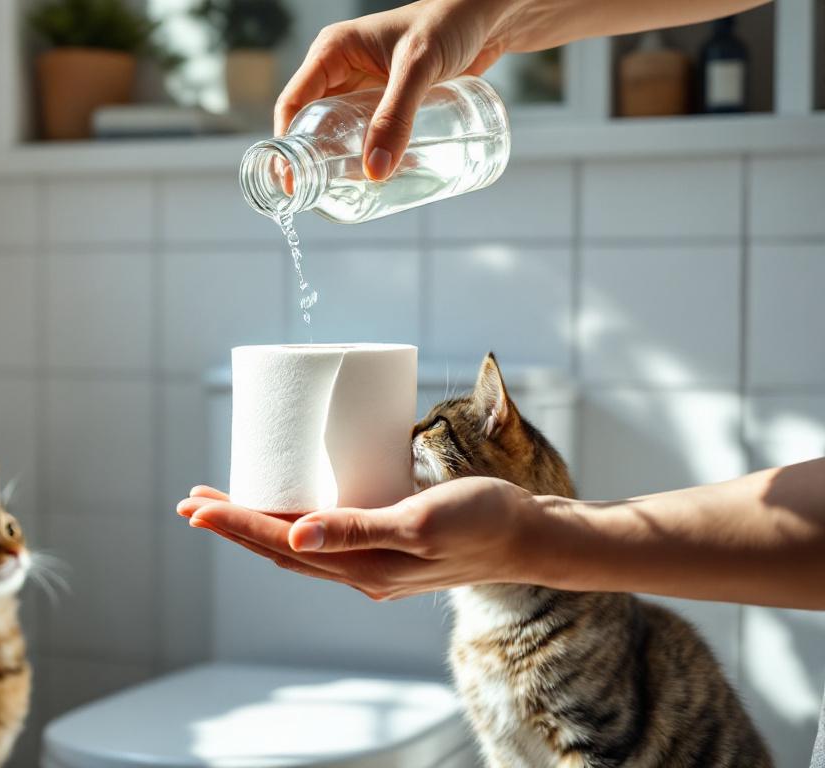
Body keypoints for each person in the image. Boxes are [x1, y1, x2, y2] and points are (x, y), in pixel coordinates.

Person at [177, 0, 825, 764]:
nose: (410, 436)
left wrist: (526, 539)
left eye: (429, 431)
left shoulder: (585, 631)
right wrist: (487, 16)